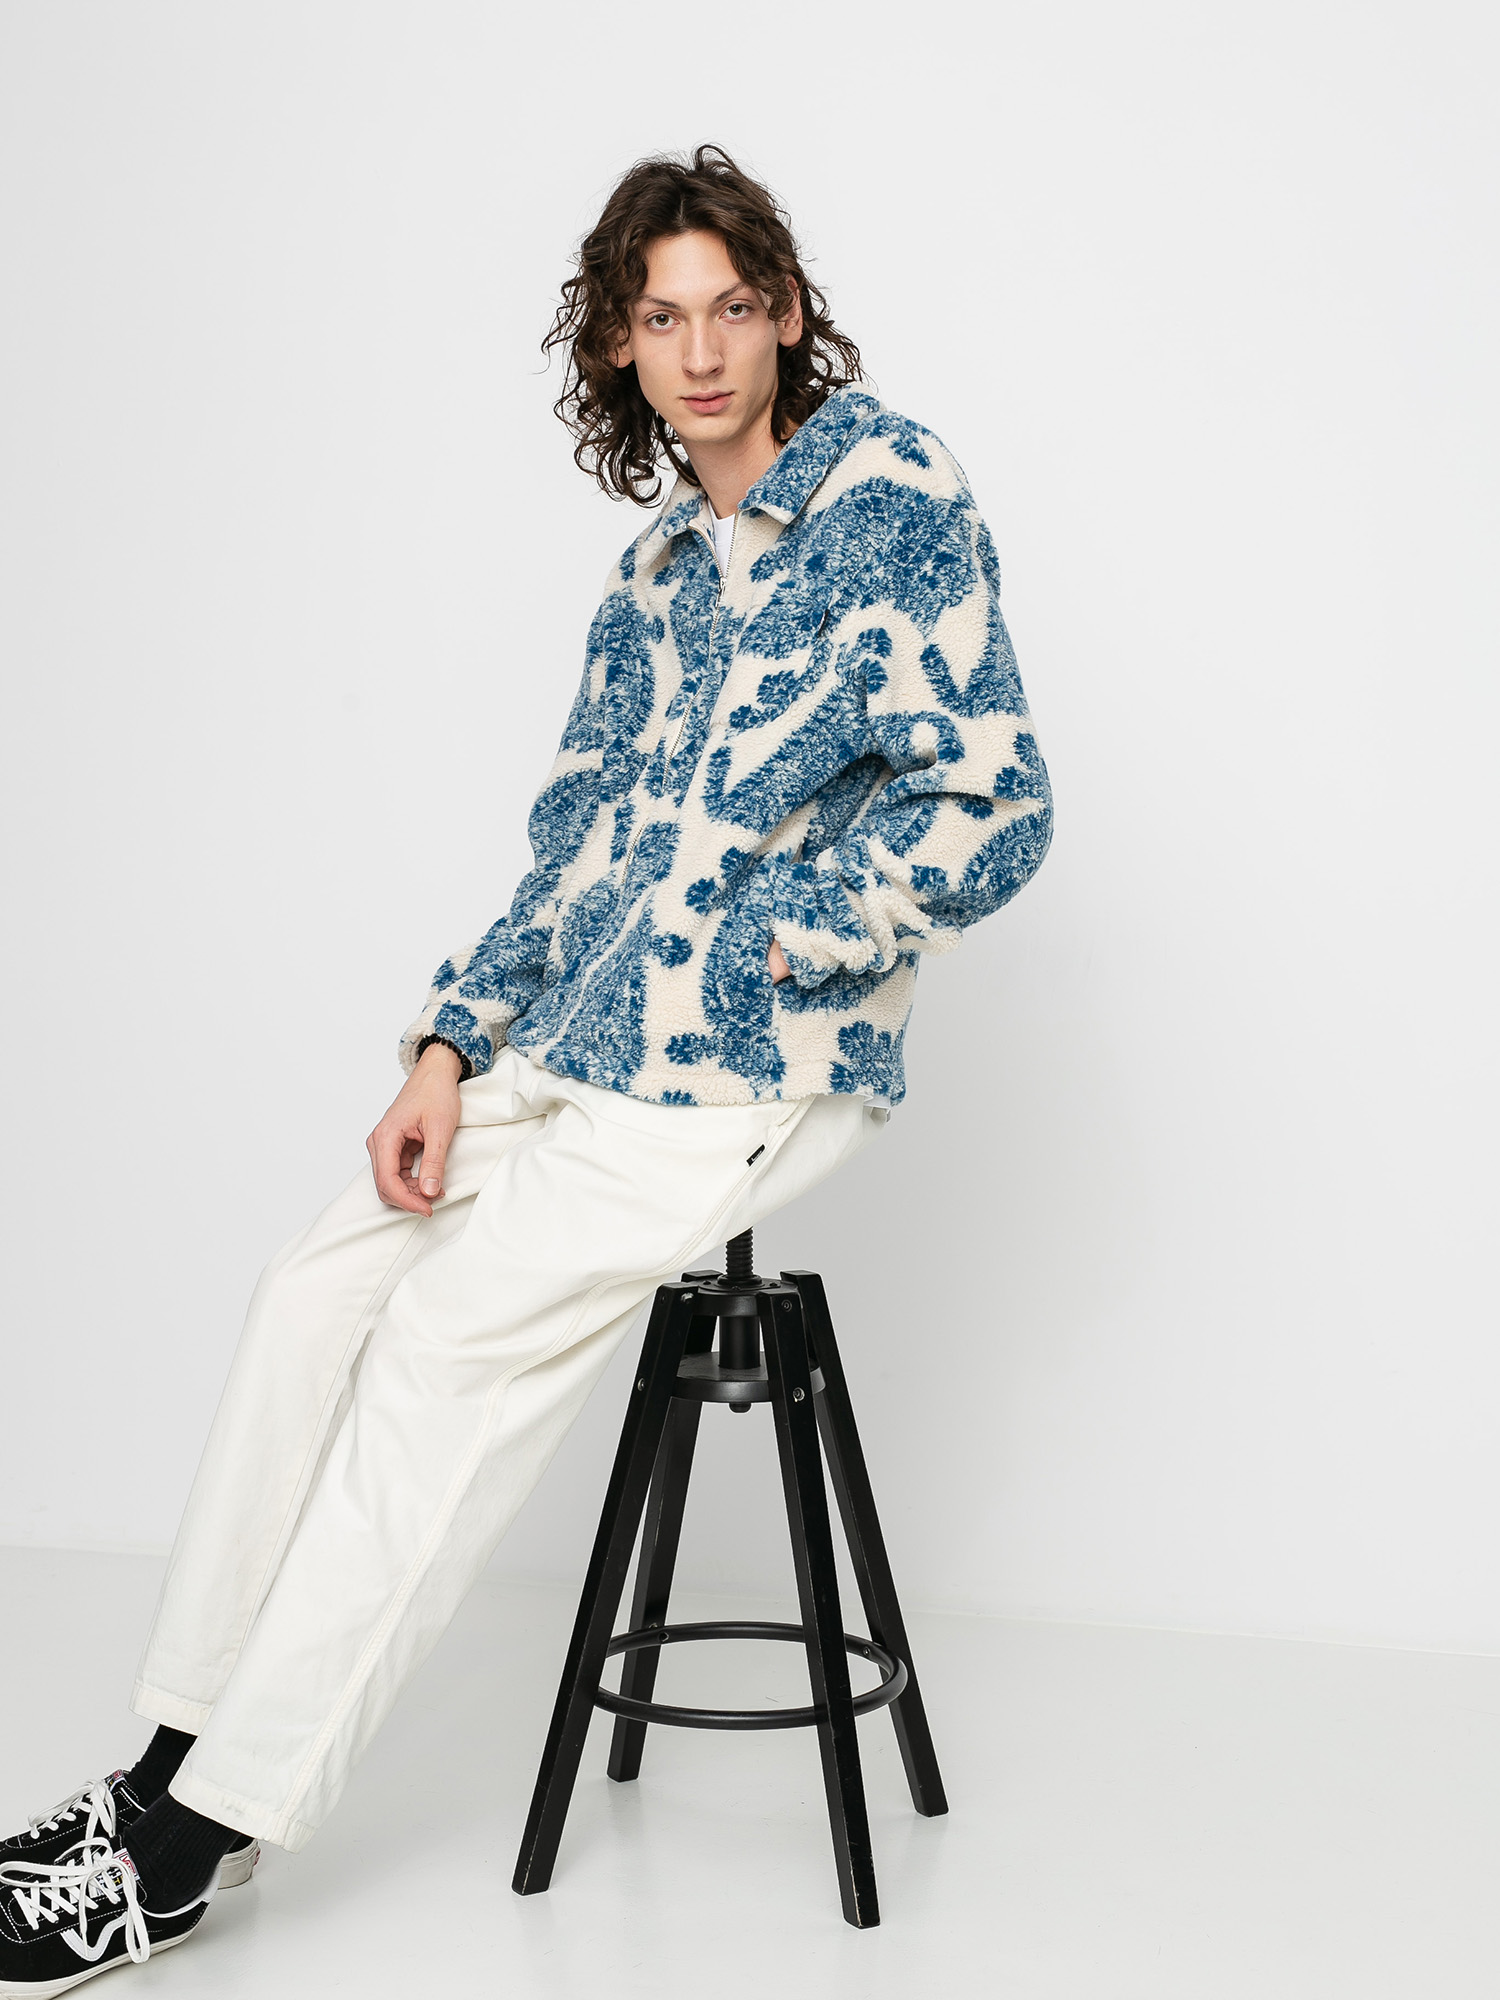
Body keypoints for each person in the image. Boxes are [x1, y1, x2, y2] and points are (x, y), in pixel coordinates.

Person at [0, 143, 1052, 1990]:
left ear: (786, 317)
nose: (702, 351)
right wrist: (445, 1047)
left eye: (734, 307)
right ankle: (164, 1758)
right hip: (578, 1040)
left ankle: (193, 1844)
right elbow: (572, 846)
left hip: (751, 1063)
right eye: (663, 318)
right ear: (619, 347)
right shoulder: (649, 574)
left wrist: (787, 934)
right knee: (315, 1292)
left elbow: (997, 799)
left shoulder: (889, 494)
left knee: (442, 1353)